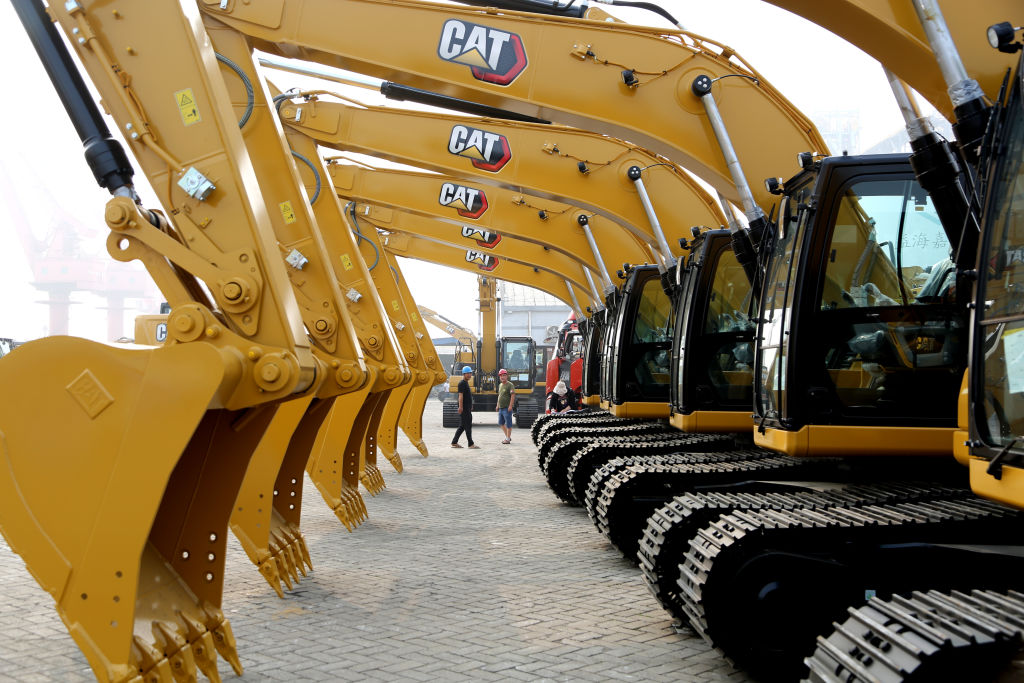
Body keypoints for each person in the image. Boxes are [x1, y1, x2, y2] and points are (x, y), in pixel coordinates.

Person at [451, 366, 480, 449]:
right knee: (468, 426)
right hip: (464, 409)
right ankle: (471, 444)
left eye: (470, 373)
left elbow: (468, 396)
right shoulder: (462, 383)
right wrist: (460, 407)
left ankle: (454, 442)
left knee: (462, 426)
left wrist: (470, 406)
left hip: (467, 408)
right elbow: (460, 396)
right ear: (464, 374)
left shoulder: (466, 383)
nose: (469, 375)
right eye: (468, 373)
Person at [495, 368, 516, 444]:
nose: (502, 377)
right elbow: (499, 396)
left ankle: (507, 439)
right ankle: (508, 437)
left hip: (507, 408)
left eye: (504, 375)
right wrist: (497, 405)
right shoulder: (500, 385)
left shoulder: (510, 385)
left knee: (508, 424)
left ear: (507, 376)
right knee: (501, 423)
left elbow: (513, 396)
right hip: (501, 408)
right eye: (501, 376)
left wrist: (510, 406)